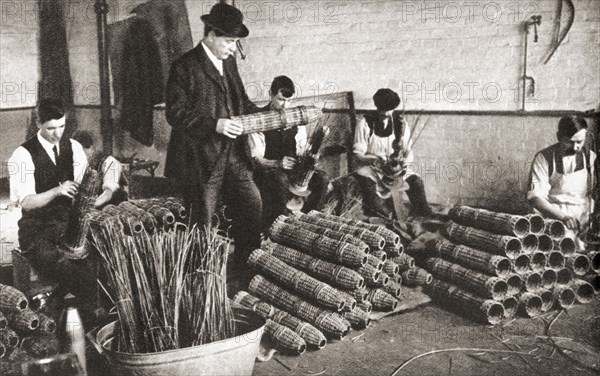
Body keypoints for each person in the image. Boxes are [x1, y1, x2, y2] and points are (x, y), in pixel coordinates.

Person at [164, 3, 262, 266]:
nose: (233, 48)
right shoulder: (184, 67)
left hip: (234, 155)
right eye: (229, 41)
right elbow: (175, 113)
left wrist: (267, 115)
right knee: (202, 222)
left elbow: (242, 101)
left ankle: (244, 270)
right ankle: (201, 278)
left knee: (252, 206)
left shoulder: (228, 65)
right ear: (210, 35)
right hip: (201, 159)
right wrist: (215, 125)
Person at [8, 98, 98, 317]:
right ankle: (92, 307)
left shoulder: (74, 147)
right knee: (57, 260)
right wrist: (57, 191)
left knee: (97, 253)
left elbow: (83, 189)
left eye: (62, 126)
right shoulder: (22, 155)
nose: (57, 134)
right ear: (38, 123)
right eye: (50, 128)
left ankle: (65, 303)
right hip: (36, 229)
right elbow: (27, 202)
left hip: (67, 224)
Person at [248, 76, 328, 229]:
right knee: (280, 180)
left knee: (322, 178)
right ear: (270, 94)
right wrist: (277, 163)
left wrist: (311, 156)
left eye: (289, 101)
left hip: (293, 169)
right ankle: (283, 227)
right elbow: (255, 158)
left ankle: (310, 221)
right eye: (281, 100)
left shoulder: (296, 117)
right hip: (268, 170)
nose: (285, 106)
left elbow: (302, 148)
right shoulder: (259, 119)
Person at [351, 88, 432, 219]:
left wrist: (404, 162)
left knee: (416, 182)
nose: (386, 113)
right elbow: (358, 155)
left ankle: (422, 214)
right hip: (373, 168)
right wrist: (373, 160)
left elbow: (408, 150)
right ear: (377, 107)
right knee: (380, 210)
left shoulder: (400, 123)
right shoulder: (364, 123)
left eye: (389, 110)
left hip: (395, 167)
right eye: (382, 110)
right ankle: (383, 212)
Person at [528, 116, 596, 247]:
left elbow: (595, 193)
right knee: (562, 245)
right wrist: (563, 217)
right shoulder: (544, 158)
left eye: (580, 142)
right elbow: (535, 197)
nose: (576, 147)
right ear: (559, 137)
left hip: (584, 215)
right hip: (555, 214)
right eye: (570, 142)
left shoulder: (591, 158)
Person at [71, 130, 127, 208]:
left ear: (91, 147)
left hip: (110, 207)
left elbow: (108, 193)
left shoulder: (110, 162)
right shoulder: (76, 162)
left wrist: (88, 206)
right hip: (86, 208)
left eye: (84, 151)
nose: (81, 156)